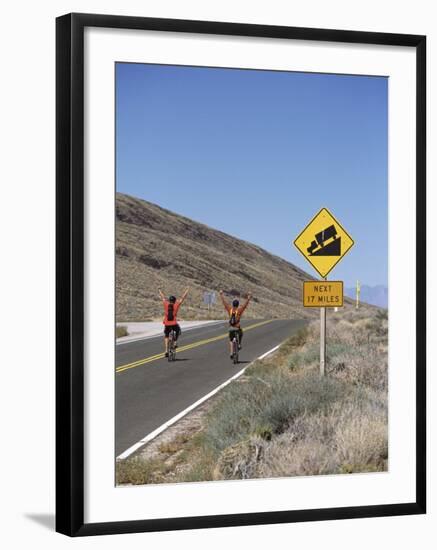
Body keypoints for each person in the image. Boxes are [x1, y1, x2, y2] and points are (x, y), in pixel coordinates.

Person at [219, 290, 252, 358]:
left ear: (233, 304)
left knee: (231, 340)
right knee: (241, 333)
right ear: (237, 305)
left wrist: (221, 295)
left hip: (231, 328)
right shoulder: (239, 310)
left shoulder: (230, 309)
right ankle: (239, 344)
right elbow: (245, 305)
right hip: (237, 327)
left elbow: (224, 303)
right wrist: (248, 298)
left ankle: (231, 353)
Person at [158, 287, 189, 357]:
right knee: (178, 331)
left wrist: (159, 290)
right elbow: (182, 298)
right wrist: (187, 290)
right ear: (174, 301)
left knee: (166, 336)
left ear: (169, 300)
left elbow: (162, 297)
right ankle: (175, 342)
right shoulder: (176, 304)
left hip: (167, 323)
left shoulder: (166, 304)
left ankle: (166, 350)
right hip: (174, 323)